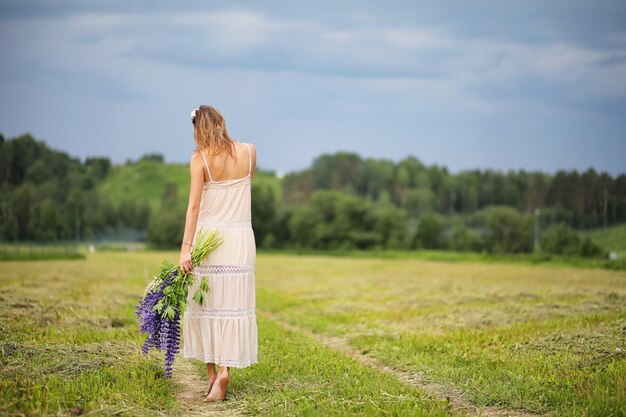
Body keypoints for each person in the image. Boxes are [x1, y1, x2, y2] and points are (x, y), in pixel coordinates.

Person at [178, 105, 258, 402]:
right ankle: (224, 371)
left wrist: (186, 249)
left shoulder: (199, 160)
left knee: (205, 306)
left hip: (209, 240)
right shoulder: (249, 153)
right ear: (221, 122)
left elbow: (194, 207)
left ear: (197, 129)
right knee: (231, 305)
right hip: (240, 240)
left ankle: (212, 374)